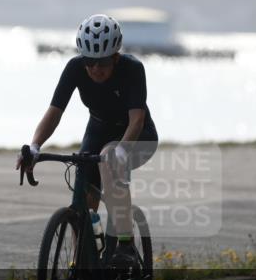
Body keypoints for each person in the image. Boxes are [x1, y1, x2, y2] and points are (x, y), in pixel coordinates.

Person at [16, 14, 158, 266]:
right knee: (85, 197)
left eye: (102, 62)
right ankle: (82, 264)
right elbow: (54, 114)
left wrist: (122, 152)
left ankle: (125, 246)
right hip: (99, 129)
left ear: (115, 56)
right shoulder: (74, 68)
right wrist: (35, 147)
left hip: (138, 136)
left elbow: (136, 120)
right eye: (89, 61)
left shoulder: (133, 69)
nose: (95, 69)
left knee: (109, 158)